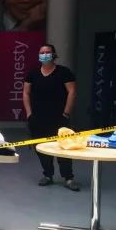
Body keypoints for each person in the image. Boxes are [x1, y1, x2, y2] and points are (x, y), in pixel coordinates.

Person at [23, 44, 78, 191]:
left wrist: (66, 113)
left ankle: (68, 178)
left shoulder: (64, 72)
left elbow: (72, 92)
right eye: (42, 52)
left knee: (63, 148)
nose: (45, 55)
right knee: (41, 148)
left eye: (48, 52)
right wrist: (29, 113)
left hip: (59, 117)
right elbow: (26, 93)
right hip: (38, 118)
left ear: (54, 54)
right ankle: (48, 175)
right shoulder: (33, 73)